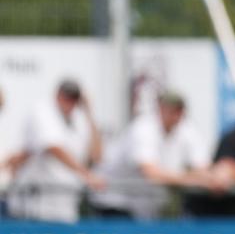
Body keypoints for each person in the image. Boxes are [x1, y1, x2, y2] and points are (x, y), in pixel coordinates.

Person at [89, 91, 223, 219]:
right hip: (114, 200)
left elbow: (202, 166)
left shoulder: (187, 129)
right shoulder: (143, 128)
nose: (173, 114)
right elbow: (151, 172)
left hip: (148, 206)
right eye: (169, 109)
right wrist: (195, 180)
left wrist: (213, 179)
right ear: (159, 109)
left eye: (177, 110)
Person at [7, 79, 104, 223]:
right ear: (57, 94)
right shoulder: (41, 110)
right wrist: (87, 175)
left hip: (67, 201)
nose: (69, 102)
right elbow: (53, 147)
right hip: (37, 201)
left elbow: (96, 155)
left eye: (74, 98)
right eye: (66, 97)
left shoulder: (80, 118)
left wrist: (89, 113)